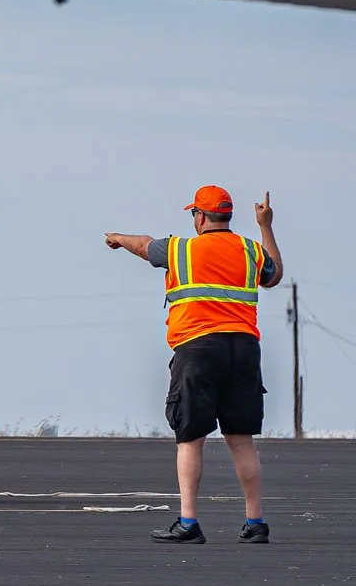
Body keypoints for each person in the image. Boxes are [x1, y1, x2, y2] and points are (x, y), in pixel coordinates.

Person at [104, 187, 283, 545]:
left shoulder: (180, 248)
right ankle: (255, 521)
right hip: (244, 350)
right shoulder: (250, 250)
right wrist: (266, 226)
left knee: (190, 438)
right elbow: (274, 275)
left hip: (198, 350)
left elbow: (144, 245)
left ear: (200, 217)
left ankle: (188, 523)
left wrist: (117, 239)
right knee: (241, 439)